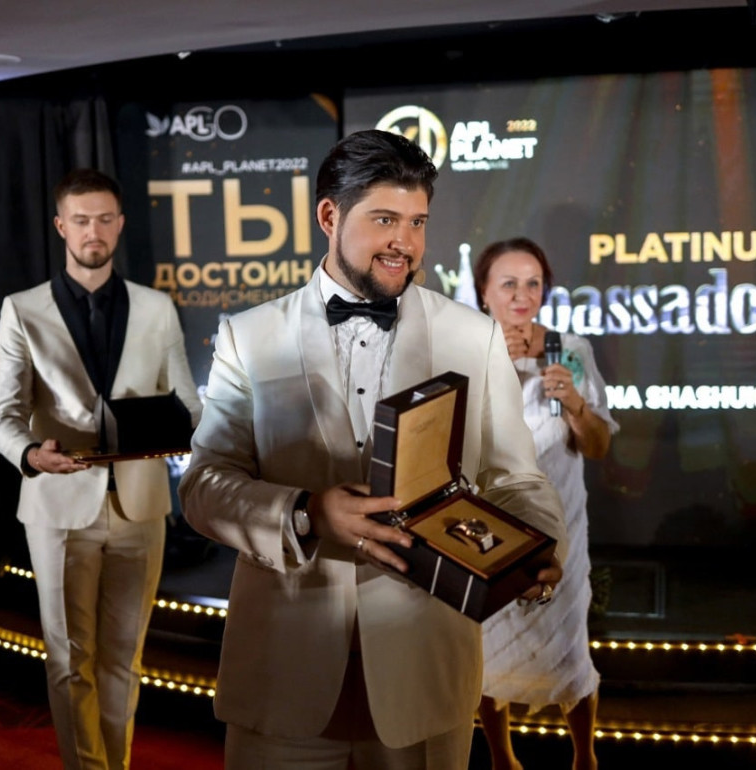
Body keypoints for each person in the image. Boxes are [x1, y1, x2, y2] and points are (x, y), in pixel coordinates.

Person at [179, 129, 569, 770]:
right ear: (329, 216)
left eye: (417, 222)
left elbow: (517, 480)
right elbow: (204, 486)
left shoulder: (472, 336)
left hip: (426, 675)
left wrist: (538, 545)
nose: (405, 243)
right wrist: (306, 513)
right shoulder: (249, 337)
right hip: (283, 678)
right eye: (385, 219)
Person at [0, 167, 203, 770]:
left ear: (120, 224)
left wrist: (196, 434)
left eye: (105, 219)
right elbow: (2, 415)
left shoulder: (156, 307)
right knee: (68, 658)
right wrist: (31, 455)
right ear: (61, 226)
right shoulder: (22, 310)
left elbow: (188, 402)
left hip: (141, 507)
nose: (93, 231)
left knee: (124, 658)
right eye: (81, 220)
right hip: (57, 507)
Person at [472, 237, 619, 770]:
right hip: (490, 527)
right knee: (487, 646)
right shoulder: (465, 352)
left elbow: (598, 446)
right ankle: (502, 758)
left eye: (533, 283)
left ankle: (584, 757)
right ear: (484, 292)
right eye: (508, 283)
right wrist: (497, 369)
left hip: (561, 525)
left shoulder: (569, 349)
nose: (522, 295)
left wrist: (575, 404)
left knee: (569, 644)